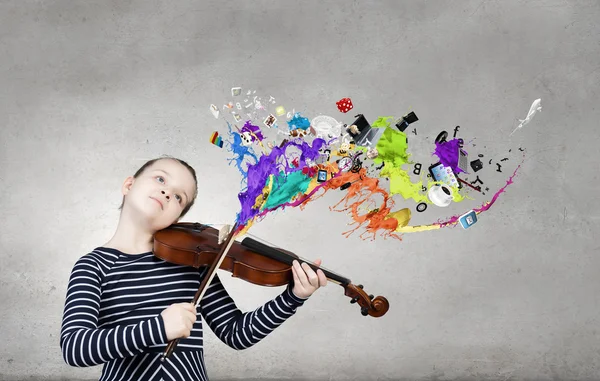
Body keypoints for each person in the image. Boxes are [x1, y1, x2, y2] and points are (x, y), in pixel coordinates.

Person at [60, 155, 327, 381]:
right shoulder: (93, 266)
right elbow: (75, 348)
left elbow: (236, 333)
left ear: (176, 217)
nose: (167, 192)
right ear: (129, 184)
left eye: (179, 197)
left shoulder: (191, 262)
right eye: (160, 179)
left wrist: (293, 298)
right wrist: (159, 328)